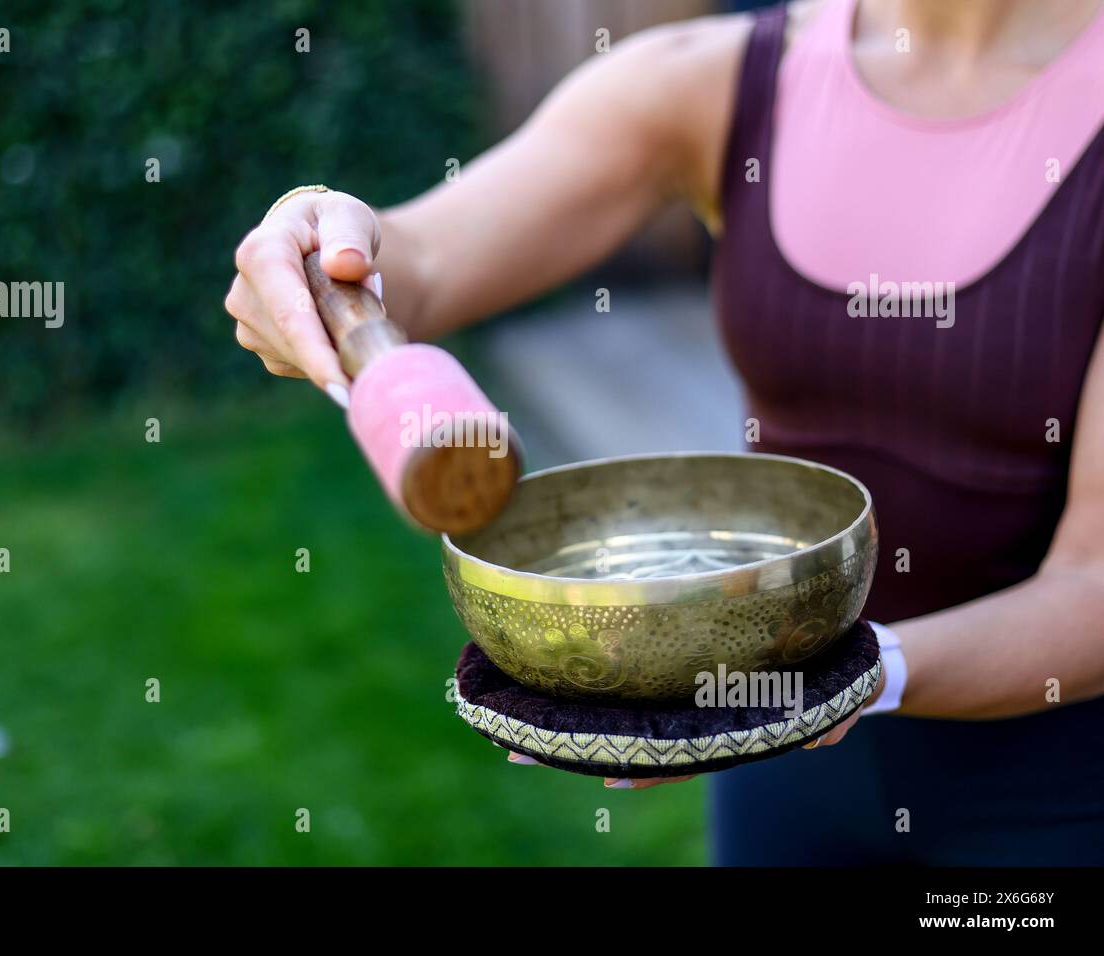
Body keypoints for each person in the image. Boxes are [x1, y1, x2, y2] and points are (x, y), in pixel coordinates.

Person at [226, 0, 1104, 865]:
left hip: (1052, 787)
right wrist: (320, 237)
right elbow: (421, 260)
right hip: (773, 773)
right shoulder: (720, 79)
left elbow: (1091, 583)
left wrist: (848, 679)